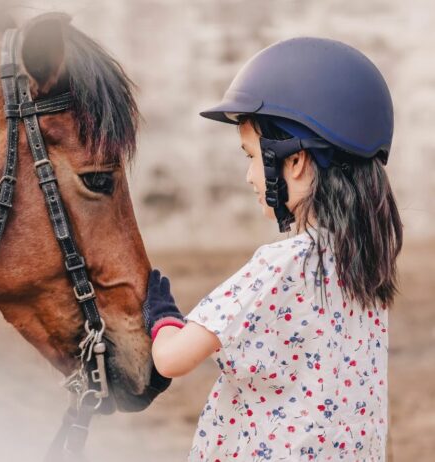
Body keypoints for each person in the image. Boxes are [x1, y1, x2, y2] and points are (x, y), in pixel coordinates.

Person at [142, 37, 402, 461]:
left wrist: (162, 317)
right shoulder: (365, 265)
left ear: (295, 161)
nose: (249, 177)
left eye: (250, 156)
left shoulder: (280, 265)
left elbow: (171, 359)